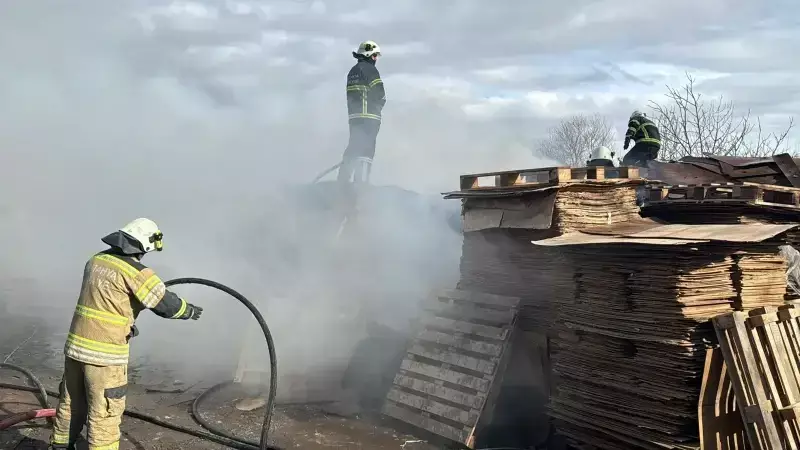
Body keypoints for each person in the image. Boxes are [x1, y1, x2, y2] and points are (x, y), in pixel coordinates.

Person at [49, 218, 203, 450]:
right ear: (145, 246)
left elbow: (106, 301)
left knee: (70, 404)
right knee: (105, 414)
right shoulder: (137, 272)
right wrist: (188, 310)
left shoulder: (96, 260)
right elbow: (165, 305)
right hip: (105, 357)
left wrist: (125, 322)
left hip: (75, 350)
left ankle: (59, 446)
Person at [337, 40, 386, 186]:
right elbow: (381, 94)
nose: (376, 59)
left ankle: (343, 181)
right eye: (375, 56)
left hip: (354, 119)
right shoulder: (370, 70)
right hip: (370, 118)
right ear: (370, 55)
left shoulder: (352, 72)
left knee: (353, 148)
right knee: (366, 151)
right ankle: (362, 184)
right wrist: (378, 108)